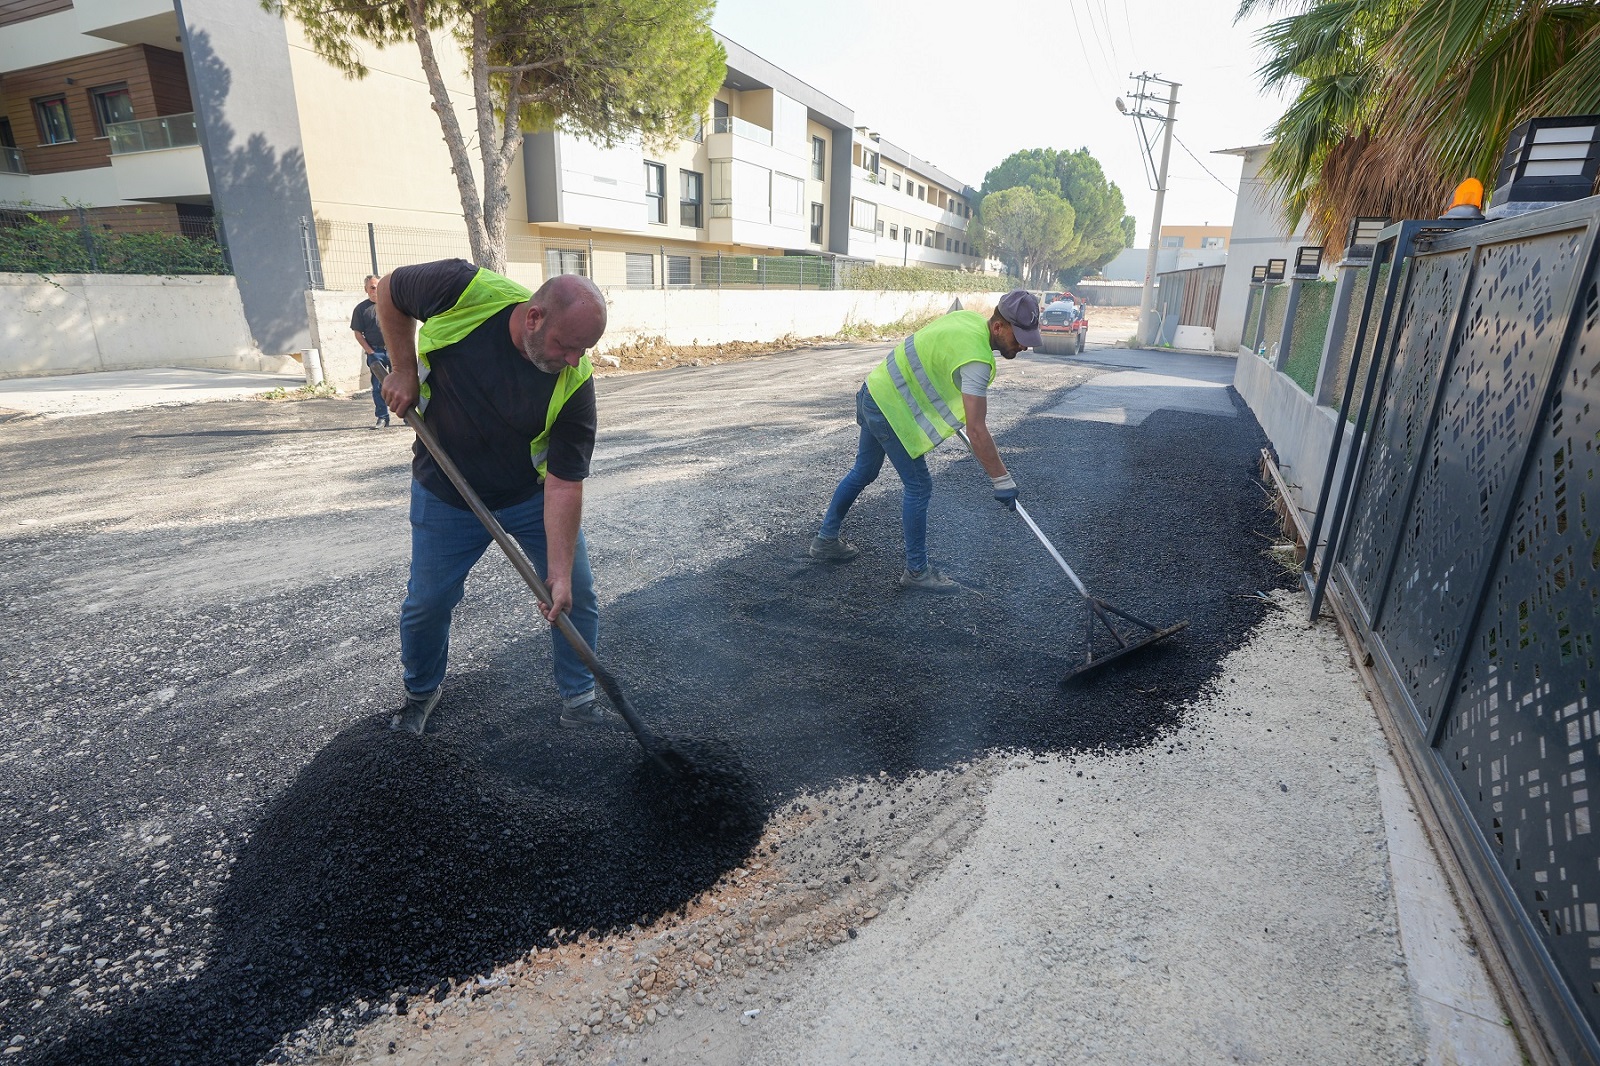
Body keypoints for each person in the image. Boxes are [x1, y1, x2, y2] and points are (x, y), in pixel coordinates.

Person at [374, 259, 609, 734]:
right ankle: (421, 692)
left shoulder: (576, 382)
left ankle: (580, 699)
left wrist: (558, 573)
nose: (573, 359)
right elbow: (390, 291)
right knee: (428, 602)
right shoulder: (465, 290)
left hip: (528, 494)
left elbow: (565, 483)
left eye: (583, 350)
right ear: (534, 317)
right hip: (446, 488)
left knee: (575, 592)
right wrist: (402, 369)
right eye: (567, 345)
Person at [810, 290, 1042, 592]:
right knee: (919, 486)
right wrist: (1001, 479)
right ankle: (917, 572)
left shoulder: (967, 319)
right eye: (1019, 337)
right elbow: (977, 430)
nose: (1024, 345)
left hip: (873, 391)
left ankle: (825, 540)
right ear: (999, 327)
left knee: (864, 471)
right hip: (889, 410)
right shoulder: (977, 361)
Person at [351, 274, 391, 428]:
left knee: (402, 384)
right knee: (378, 387)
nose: (376, 290)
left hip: (394, 352)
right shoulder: (361, 309)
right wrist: (370, 351)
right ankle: (382, 417)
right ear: (366, 289)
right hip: (376, 353)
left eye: (379, 287)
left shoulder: (392, 305)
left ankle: (408, 418)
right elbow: (357, 334)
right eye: (372, 287)